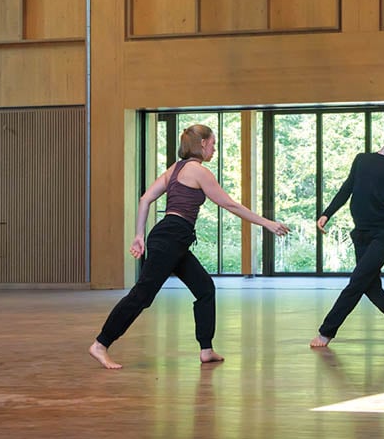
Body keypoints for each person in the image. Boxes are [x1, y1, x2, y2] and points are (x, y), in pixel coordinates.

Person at [88, 124, 289, 370]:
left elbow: (145, 198)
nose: (214, 149)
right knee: (142, 295)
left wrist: (139, 235)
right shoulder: (199, 171)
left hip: (173, 239)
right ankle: (101, 344)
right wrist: (266, 223)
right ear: (202, 143)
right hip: (171, 238)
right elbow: (230, 205)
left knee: (205, 288)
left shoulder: (174, 169)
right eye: (213, 144)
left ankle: (206, 349)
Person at [310, 121, 384, 349]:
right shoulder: (362, 159)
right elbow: (347, 188)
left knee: (356, 283)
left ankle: (326, 332)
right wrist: (327, 214)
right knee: (370, 287)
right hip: (361, 233)